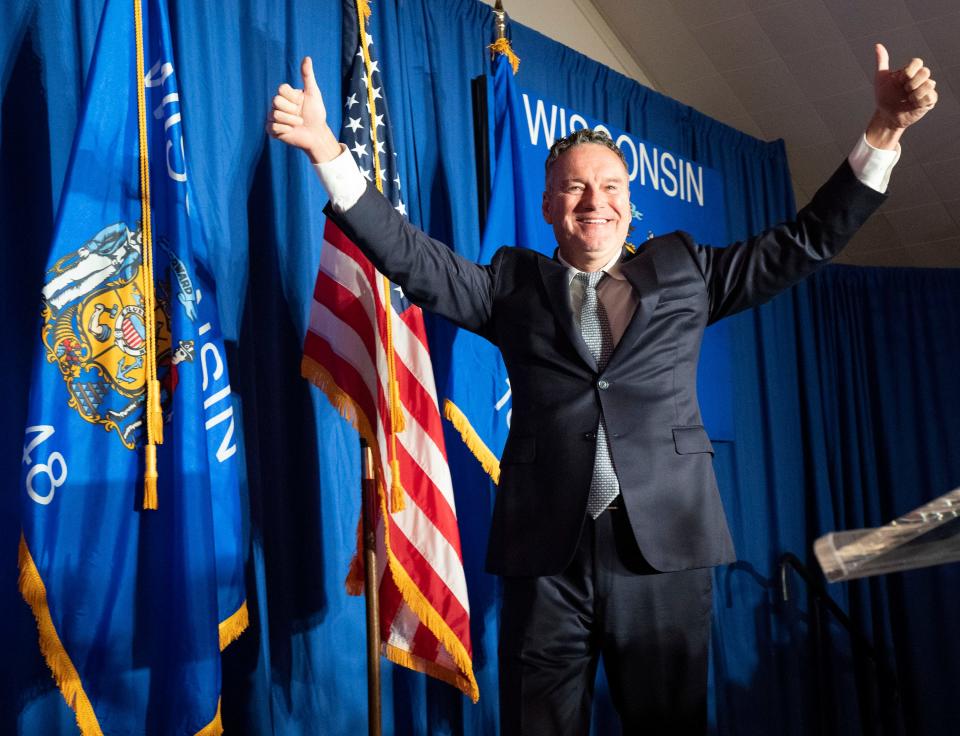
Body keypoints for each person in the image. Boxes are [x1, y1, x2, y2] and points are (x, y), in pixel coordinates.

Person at [267, 44, 937, 735]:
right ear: (552, 204)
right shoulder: (511, 284)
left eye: (612, 186)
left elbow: (806, 239)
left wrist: (883, 131)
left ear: (630, 201)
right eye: (578, 188)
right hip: (545, 560)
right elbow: (411, 255)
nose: (597, 202)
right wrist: (326, 151)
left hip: (666, 552)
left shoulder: (687, 272)